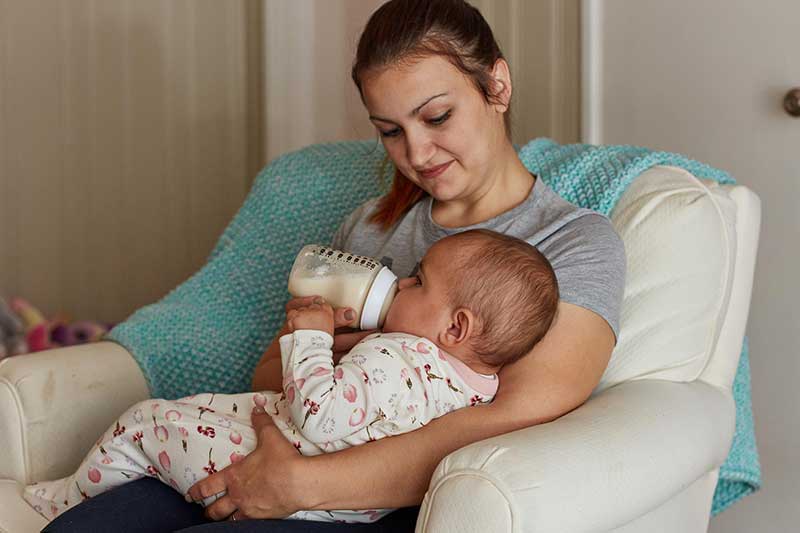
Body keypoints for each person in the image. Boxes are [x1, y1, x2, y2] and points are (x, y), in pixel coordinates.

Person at [44, 0, 624, 531]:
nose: (417, 155)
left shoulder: (573, 242)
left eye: (438, 117)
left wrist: (300, 484)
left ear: (496, 86)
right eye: (390, 132)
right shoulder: (373, 226)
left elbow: (510, 421)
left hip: (389, 503)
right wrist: (329, 349)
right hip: (268, 447)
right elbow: (271, 371)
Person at [29, 229, 559, 524]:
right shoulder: (471, 385)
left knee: (146, 422)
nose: (400, 281)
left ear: (456, 326)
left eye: (418, 281)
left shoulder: (399, 356)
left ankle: (66, 495)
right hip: (341, 505)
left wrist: (312, 339)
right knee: (201, 413)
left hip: (285, 462)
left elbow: (320, 415)